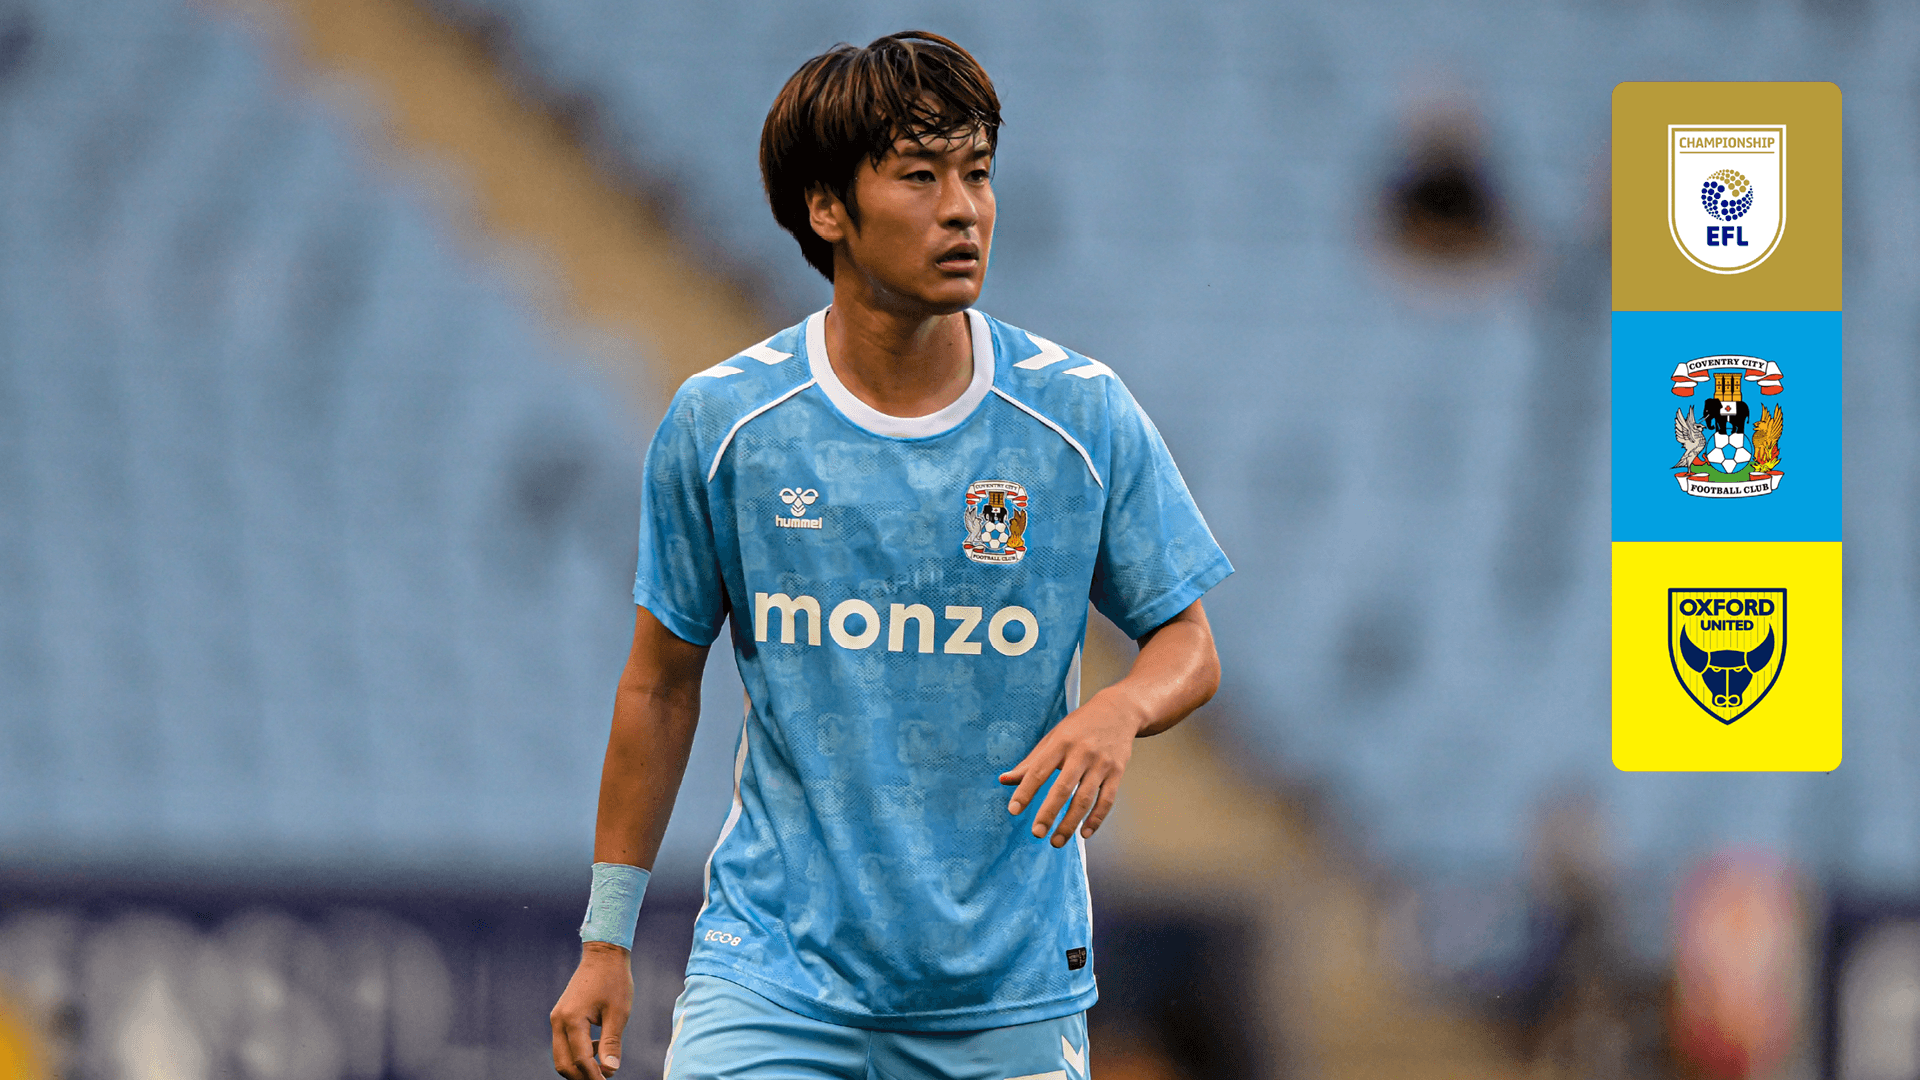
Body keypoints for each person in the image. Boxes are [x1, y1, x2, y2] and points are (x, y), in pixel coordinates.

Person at [550, 30, 1231, 1080]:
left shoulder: (1079, 416)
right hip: (773, 975)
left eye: (978, 173)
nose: (964, 209)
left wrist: (1121, 708)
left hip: (1005, 990)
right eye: (920, 177)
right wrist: (607, 938)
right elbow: (659, 685)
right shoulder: (726, 424)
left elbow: (1190, 643)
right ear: (828, 208)